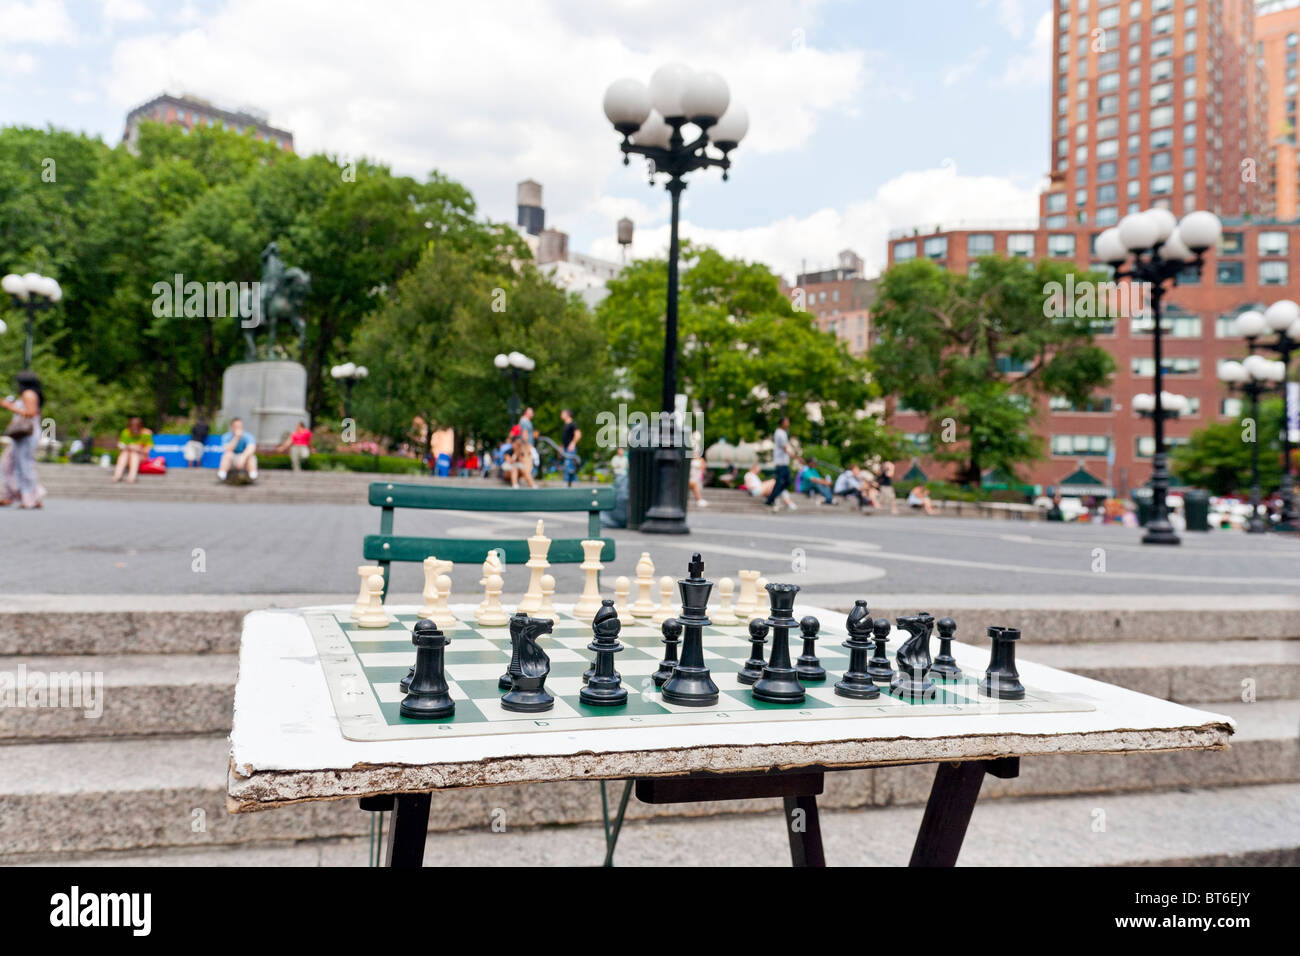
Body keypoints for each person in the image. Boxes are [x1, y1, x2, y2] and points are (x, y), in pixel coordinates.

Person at [1, 371, 45, 508]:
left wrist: (10, 407)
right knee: (8, 463)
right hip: (25, 434)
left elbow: (31, 413)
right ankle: (13, 495)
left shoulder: (29, 394)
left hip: (26, 434)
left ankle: (29, 498)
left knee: (24, 465)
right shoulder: (30, 394)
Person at [764, 416, 794, 510]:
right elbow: (784, 448)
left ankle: (771, 498)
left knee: (785, 482)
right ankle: (770, 499)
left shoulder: (783, 433)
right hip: (781, 463)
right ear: (782, 423)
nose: (788, 423)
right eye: (787, 421)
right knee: (782, 482)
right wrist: (795, 456)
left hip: (784, 463)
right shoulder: (779, 433)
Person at [113, 416, 153, 484]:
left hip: (141, 457)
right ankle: (118, 474)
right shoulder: (125, 433)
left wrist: (138, 449)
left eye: (136, 428)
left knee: (134, 453)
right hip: (127, 457)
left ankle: (132, 475)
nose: (134, 430)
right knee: (125, 453)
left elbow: (148, 451)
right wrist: (128, 447)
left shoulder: (146, 433)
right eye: (132, 428)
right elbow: (120, 446)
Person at [560, 409, 581, 487]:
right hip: (566, 449)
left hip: (570, 449)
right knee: (568, 465)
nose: (561, 415)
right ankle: (571, 482)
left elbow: (578, 434)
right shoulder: (565, 425)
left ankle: (570, 482)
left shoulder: (573, 424)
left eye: (562, 413)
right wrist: (562, 447)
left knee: (569, 464)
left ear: (567, 414)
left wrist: (573, 443)